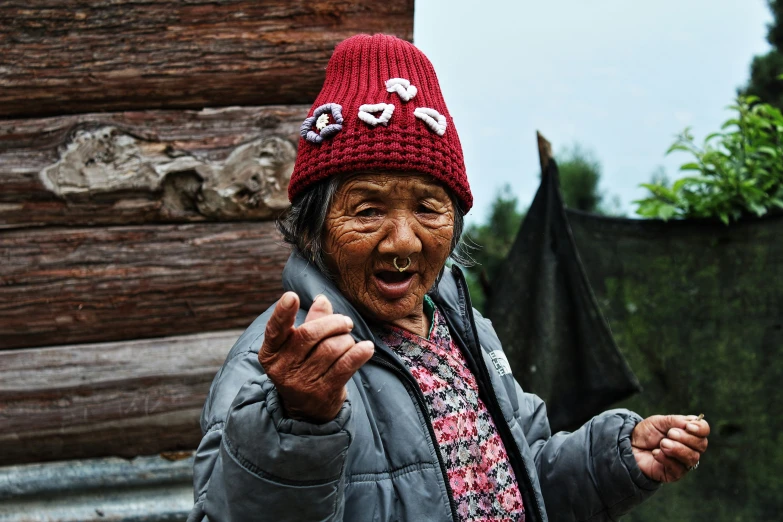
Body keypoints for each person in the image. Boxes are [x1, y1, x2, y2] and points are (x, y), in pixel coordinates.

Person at [188, 34, 709, 522]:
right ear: (313, 230)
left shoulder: (466, 329)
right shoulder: (279, 365)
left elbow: (522, 471)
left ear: (455, 223)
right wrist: (297, 422)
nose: (403, 241)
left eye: (428, 208)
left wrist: (612, 461)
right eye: (367, 209)